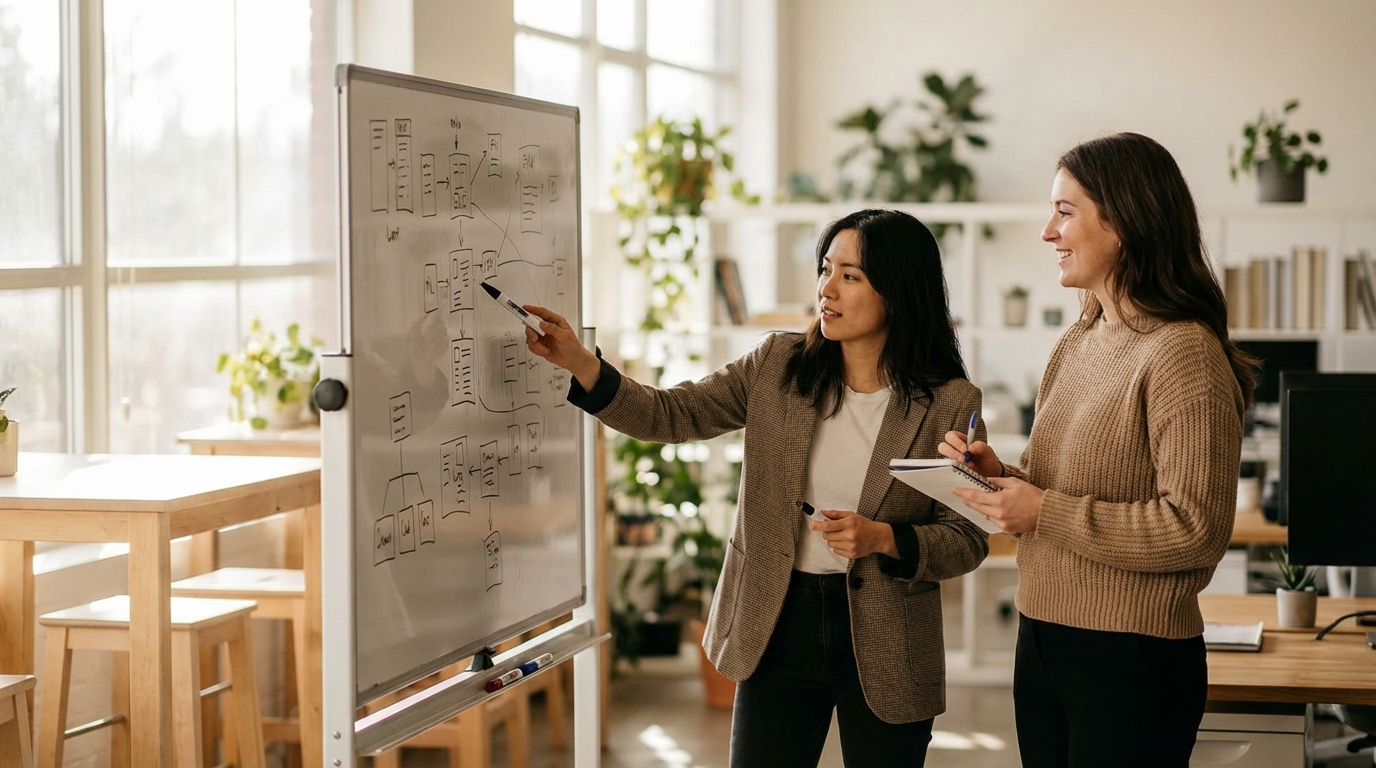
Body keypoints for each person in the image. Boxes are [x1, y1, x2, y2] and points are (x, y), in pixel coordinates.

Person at [525, 209, 989, 768]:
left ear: (898, 291)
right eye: (825, 269)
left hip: (890, 633)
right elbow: (671, 414)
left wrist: (887, 539)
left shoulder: (951, 403)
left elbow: (967, 537)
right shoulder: (778, 365)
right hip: (778, 620)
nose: (826, 289)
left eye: (851, 275)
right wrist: (583, 365)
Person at [940, 133, 1255, 768]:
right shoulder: (1081, 336)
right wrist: (1002, 475)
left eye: (1064, 211)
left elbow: (1194, 530)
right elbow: (1060, 483)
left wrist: (1044, 511)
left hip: (1131, 657)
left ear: (1124, 220)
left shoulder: (1182, 352)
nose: (1046, 233)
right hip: (1044, 635)